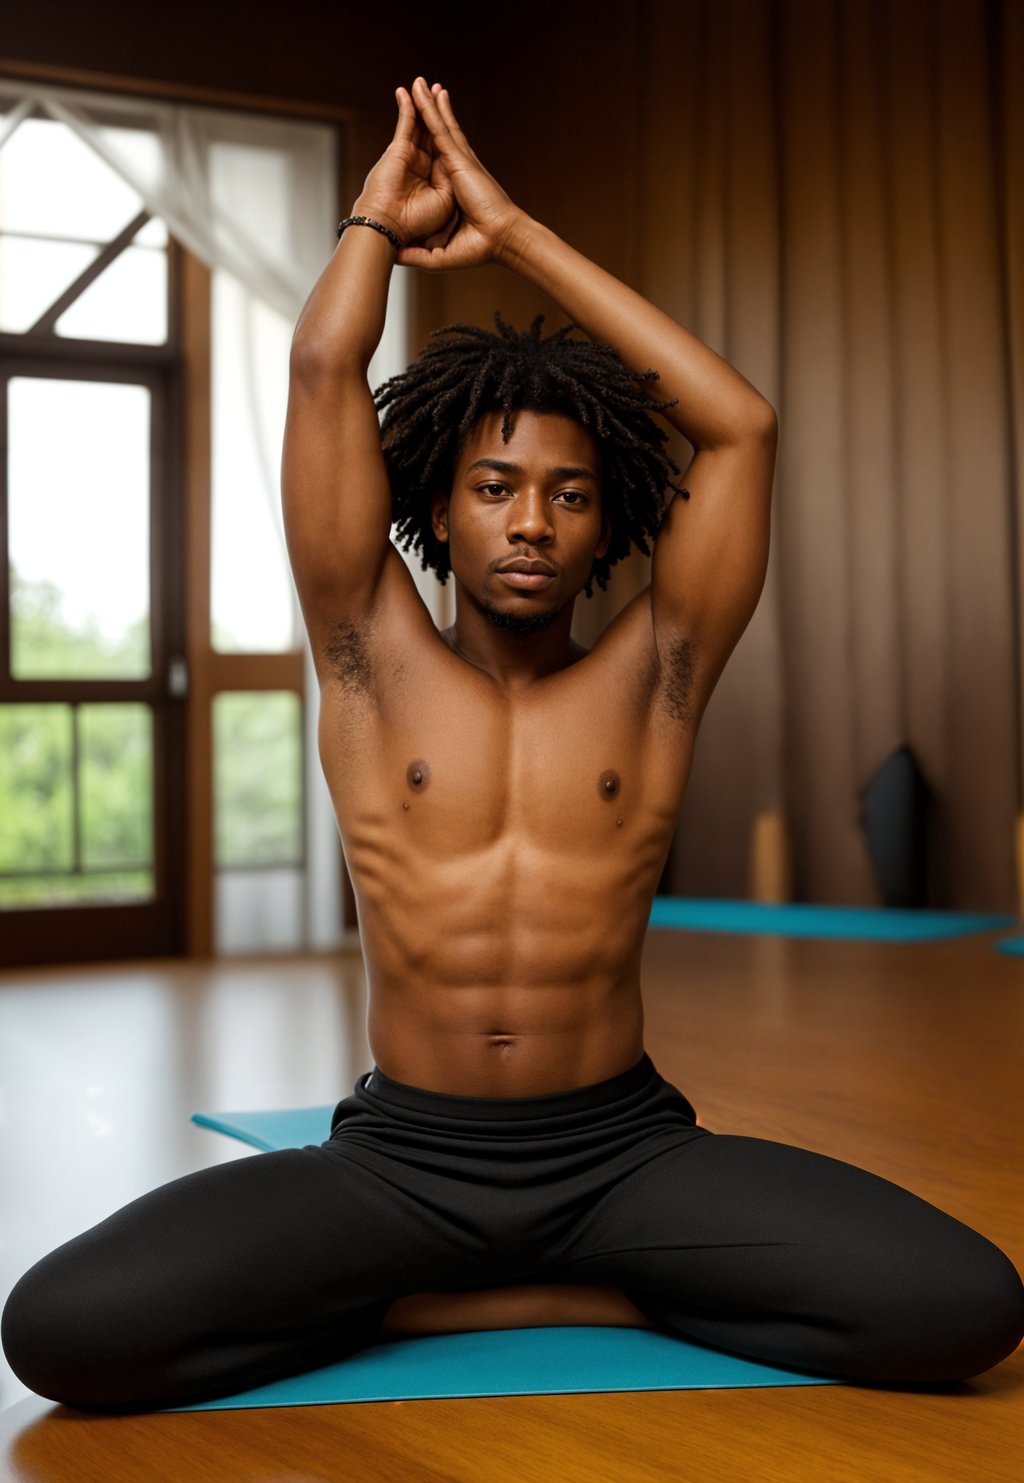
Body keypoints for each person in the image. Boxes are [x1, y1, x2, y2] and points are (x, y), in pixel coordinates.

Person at [3, 79, 1023, 1413]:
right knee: (60, 1330)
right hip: (399, 1167)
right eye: (495, 488)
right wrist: (381, 213)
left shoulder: (657, 678)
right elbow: (322, 371)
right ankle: (449, 1289)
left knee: (966, 1307)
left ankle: (544, 1287)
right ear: (437, 504)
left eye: (569, 494)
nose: (530, 522)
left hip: (623, 1161)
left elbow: (742, 426)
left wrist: (511, 229)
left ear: (609, 526)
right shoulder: (364, 652)